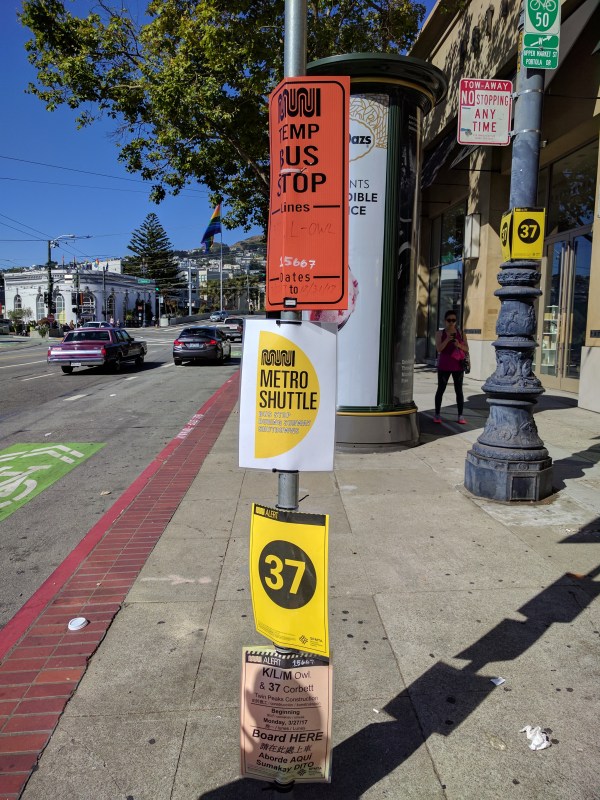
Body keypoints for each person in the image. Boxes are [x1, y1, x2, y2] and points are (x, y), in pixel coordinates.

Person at [434, 310, 469, 424]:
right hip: (444, 366)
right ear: (445, 321)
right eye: (449, 320)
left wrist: (458, 344)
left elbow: (467, 349)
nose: (451, 322)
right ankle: (437, 414)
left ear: (456, 321)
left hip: (458, 366)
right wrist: (447, 339)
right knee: (441, 389)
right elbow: (439, 349)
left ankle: (460, 415)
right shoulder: (440, 333)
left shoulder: (461, 333)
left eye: (453, 320)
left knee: (459, 391)